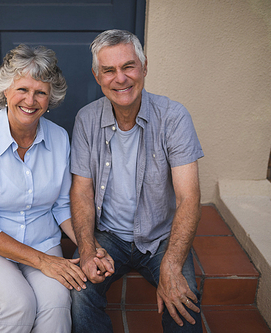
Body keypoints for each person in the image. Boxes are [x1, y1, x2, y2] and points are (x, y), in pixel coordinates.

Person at [70, 29, 204, 332]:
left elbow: (189, 198)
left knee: (185, 299)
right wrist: (88, 250)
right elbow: (81, 191)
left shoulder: (174, 117)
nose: (121, 78)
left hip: (160, 238)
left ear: (144, 67)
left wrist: (171, 265)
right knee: (79, 294)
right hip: (108, 236)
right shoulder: (86, 120)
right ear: (97, 76)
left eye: (128, 66)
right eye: (109, 70)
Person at [0, 44, 88, 333]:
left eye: (41, 92)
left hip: (40, 237)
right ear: (5, 93)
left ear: (50, 98)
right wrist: (43, 261)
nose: (31, 100)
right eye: (22, 89)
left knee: (57, 307)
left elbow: (62, 205)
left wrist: (88, 247)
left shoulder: (60, 139)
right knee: (19, 306)